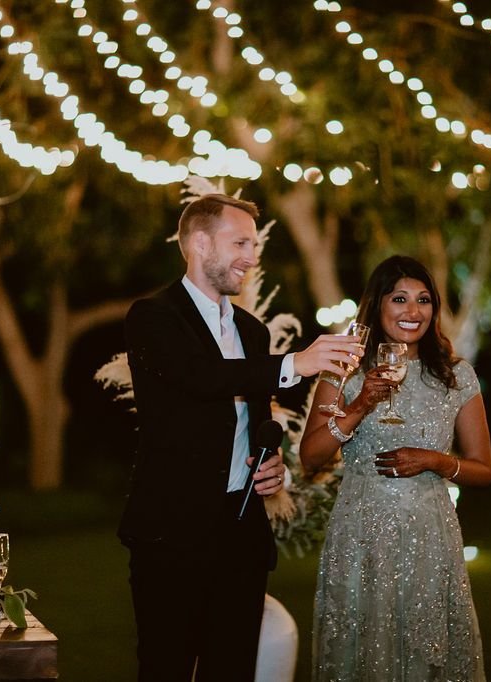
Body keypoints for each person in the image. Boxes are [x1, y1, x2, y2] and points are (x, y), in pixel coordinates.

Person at [121, 193, 364, 682]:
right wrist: (298, 362)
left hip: (240, 537)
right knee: (164, 669)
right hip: (171, 537)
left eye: (254, 245)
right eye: (240, 243)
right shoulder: (153, 317)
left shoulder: (252, 332)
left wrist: (267, 461)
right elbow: (201, 377)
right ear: (198, 243)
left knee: (232, 670)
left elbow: (250, 415)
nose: (251, 257)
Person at [300, 255, 491, 681]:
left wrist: (436, 461)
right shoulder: (344, 370)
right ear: (377, 305)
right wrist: (360, 404)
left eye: (423, 300)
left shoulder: (456, 376)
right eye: (400, 299)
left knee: (427, 651)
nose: (413, 311)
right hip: (361, 533)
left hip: (430, 535)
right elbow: (310, 457)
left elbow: (483, 470)